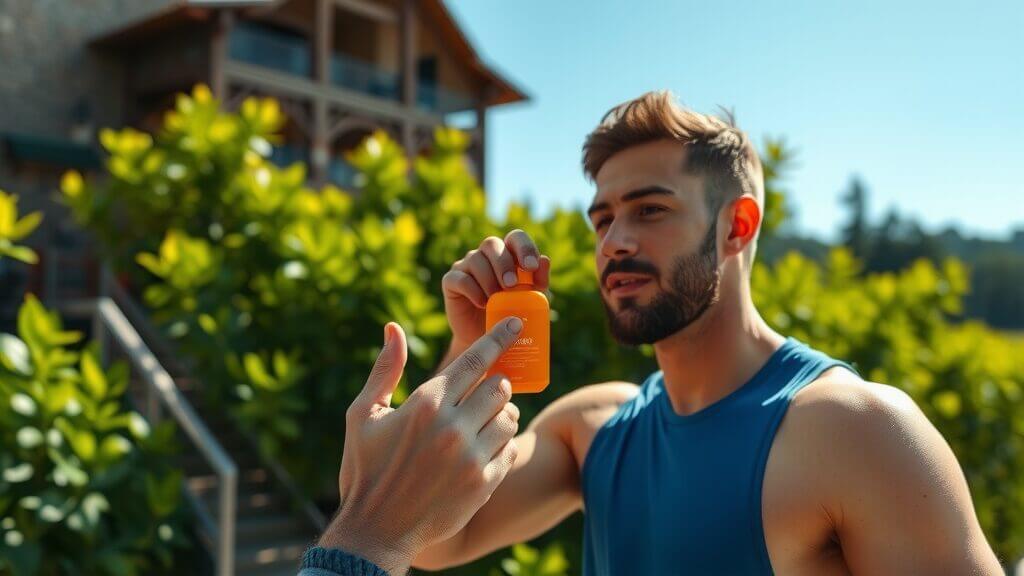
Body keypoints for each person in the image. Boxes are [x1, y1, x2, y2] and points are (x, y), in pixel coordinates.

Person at [300, 91, 1004, 575]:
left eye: (649, 210)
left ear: (737, 226)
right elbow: (432, 541)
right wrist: (472, 348)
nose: (614, 240)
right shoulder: (594, 427)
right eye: (602, 218)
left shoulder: (858, 429)